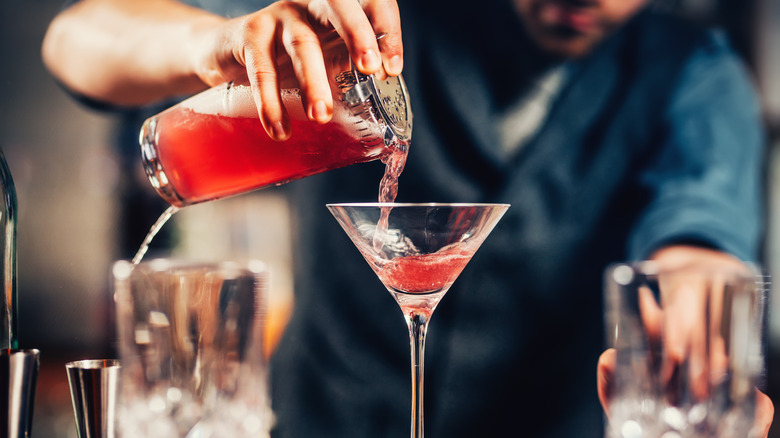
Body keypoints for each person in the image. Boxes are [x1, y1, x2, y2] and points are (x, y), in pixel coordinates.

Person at [42, 0, 773, 437]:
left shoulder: (694, 74)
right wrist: (206, 45)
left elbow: (699, 238)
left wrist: (690, 319)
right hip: (321, 425)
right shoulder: (362, 27)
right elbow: (74, 38)